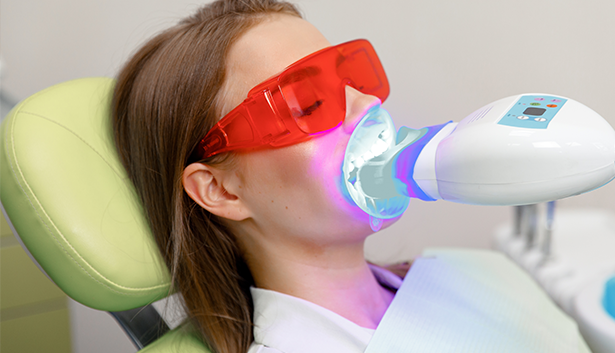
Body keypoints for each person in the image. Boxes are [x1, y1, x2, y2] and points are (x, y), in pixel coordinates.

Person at [112, 0, 406, 352]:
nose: (366, 105)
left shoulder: (437, 278)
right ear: (220, 190)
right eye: (308, 106)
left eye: (351, 82)